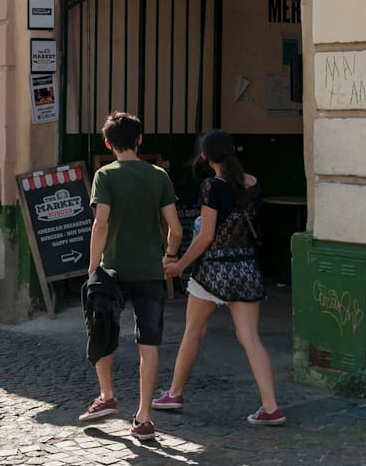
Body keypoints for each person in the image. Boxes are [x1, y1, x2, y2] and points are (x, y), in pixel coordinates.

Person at [158, 130, 285, 426]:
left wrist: (180, 265)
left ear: (205, 156)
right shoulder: (252, 183)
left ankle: (174, 393)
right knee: (250, 338)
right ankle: (271, 407)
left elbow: (205, 236)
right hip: (246, 269)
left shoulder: (211, 186)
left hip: (213, 271)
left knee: (193, 332)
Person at [79, 111, 183, 442]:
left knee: (102, 328)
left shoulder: (105, 176)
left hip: (112, 269)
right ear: (139, 139)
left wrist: (93, 265)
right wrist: (169, 256)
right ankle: (144, 417)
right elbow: (176, 229)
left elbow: (101, 223)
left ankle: (107, 395)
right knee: (148, 343)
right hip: (150, 271)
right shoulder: (158, 176)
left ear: (108, 144)